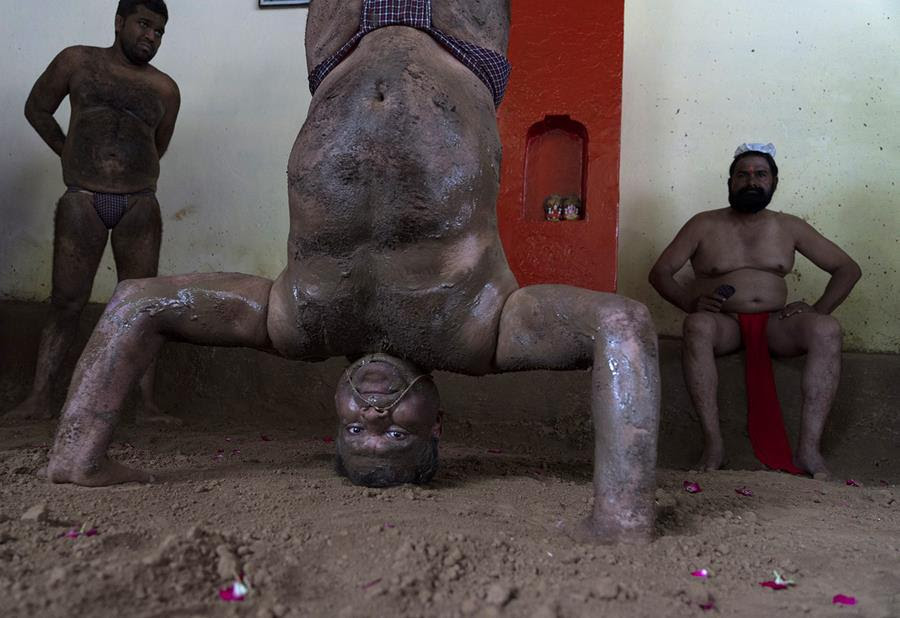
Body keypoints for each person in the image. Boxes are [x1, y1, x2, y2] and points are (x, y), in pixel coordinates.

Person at [47, 0, 660, 544]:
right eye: (397, 437)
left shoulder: (296, 325)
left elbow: (133, 303)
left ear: (334, 412)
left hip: (340, 44)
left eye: (354, 432)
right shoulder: (483, 333)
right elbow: (623, 324)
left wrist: (79, 458)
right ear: (435, 421)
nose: (374, 416)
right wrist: (622, 514)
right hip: (458, 40)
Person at [8, 0, 180, 422]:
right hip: (83, 199)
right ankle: (39, 399)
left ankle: (143, 406)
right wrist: (71, 153)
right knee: (67, 302)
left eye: (159, 32)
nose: (150, 37)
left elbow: (158, 146)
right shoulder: (77, 61)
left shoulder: (165, 89)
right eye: (143, 25)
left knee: (140, 306)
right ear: (119, 21)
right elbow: (37, 108)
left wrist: (129, 172)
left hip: (139, 204)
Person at [648, 143, 861, 478]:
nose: (751, 181)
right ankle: (713, 444)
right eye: (742, 174)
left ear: (773, 182)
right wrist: (689, 302)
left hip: (777, 325)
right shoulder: (702, 224)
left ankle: (808, 450)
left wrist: (819, 309)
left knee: (827, 328)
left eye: (760, 174)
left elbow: (847, 268)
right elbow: (660, 272)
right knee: (697, 325)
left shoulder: (790, 226)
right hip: (725, 324)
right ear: (730, 181)